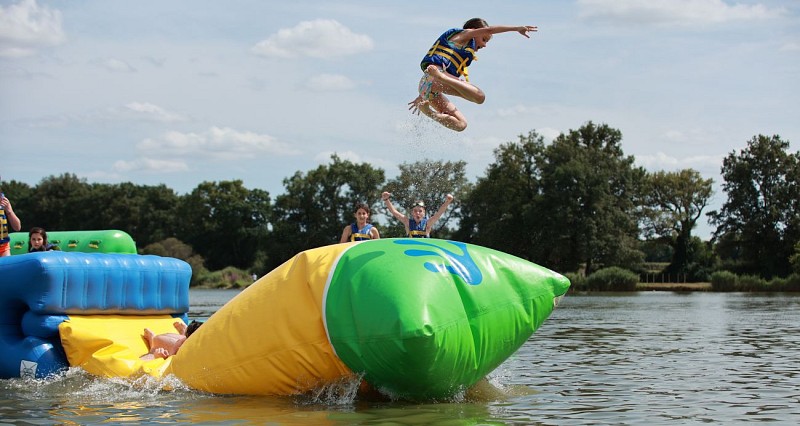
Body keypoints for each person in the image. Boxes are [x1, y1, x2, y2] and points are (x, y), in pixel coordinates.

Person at [408, 18, 538, 132]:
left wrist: (422, 95)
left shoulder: (463, 50)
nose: (484, 45)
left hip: (428, 86)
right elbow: (490, 30)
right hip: (437, 76)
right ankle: (441, 77)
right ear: (475, 31)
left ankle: (429, 113)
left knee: (461, 124)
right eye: (484, 39)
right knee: (480, 97)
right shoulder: (463, 35)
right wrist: (516, 28)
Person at [382, 192, 454, 238]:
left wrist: (447, 202)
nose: (417, 213)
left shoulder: (428, 223)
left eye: (420, 211)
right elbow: (394, 212)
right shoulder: (407, 222)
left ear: (424, 213)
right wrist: (386, 200)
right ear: (412, 213)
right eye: (415, 211)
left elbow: (439, 214)